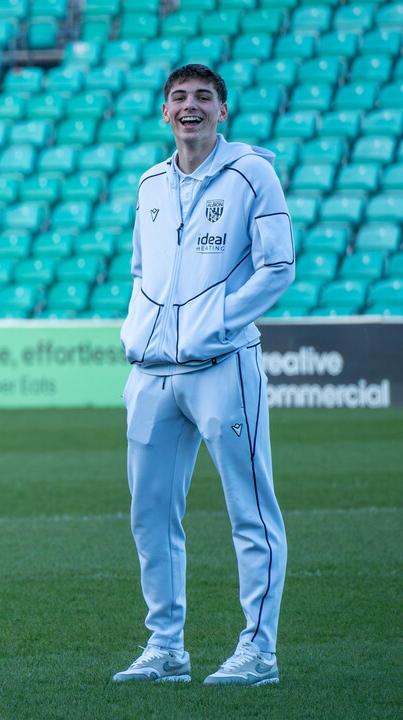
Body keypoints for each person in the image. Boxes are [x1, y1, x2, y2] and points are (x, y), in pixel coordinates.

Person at [112, 64, 294, 686]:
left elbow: (278, 268)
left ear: (223, 110)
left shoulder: (253, 174)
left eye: (203, 98)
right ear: (166, 112)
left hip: (223, 364)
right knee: (151, 514)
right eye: (179, 98)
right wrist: (142, 329)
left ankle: (259, 653)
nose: (190, 106)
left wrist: (215, 322)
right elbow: (142, 269)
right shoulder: (150, 184)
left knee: (251, 511)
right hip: (152, 373)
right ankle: (166, 648)